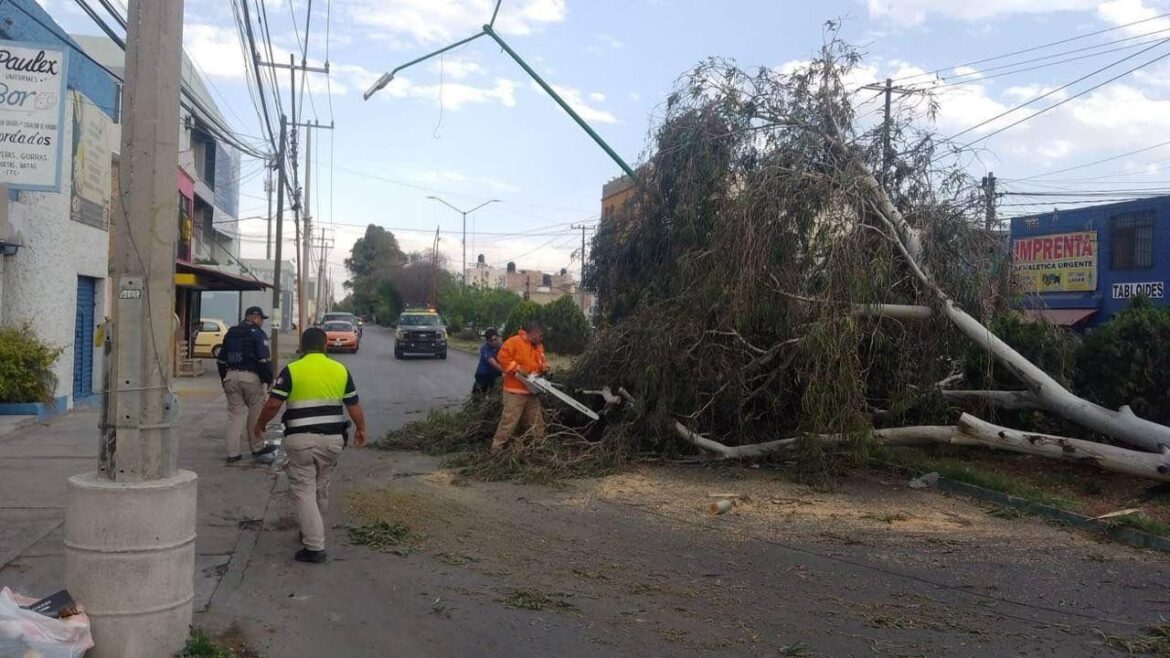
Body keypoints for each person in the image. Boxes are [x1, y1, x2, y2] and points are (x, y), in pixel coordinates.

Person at [253, 327, 367, 564]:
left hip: (301, 442)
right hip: (332, 442)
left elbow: (274, 404)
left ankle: (314, 546)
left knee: (304, 491)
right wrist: (361, 429)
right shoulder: (340, 370)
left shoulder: (293, 370)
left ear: (302, 347)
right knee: (321, 486)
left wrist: (260, 424)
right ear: (325, 344)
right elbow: (353, 406)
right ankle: (310, 527)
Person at [217, 306, 275, 464]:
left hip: (230, 376)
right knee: (255, 413)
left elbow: (221, 360)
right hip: (251, 377)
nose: (262, 322)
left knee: (234, 416)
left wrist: (225, 379)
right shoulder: (257, 334)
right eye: (261, 319)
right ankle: (257, 447)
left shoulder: (231, 333)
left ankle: (233, 453)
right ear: (255, 318)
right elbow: (263, 360)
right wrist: (268, 380)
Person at [490, 320, 547, 452]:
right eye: (540, 336)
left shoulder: (538, 346)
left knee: (536, 421)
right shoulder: (514, 342)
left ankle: (539, 446)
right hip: (515, 391)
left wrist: (544, 369)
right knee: (509, 422)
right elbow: (502, 358)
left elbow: (542, 361)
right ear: (533, 333)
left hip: (532, 391)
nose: (541, 339)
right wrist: (517, 369)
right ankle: (497, 448)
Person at [472, 328, 504, 396]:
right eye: (491, 341)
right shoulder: (485, 349)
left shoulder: (503, 346)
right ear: (487, 341)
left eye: (495, 339)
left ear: (498, 337)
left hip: (495, 376)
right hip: (483, 376)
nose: (494, 342)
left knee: (493, 396)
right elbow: (494, 364)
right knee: (478, 396)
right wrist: (507, 371)